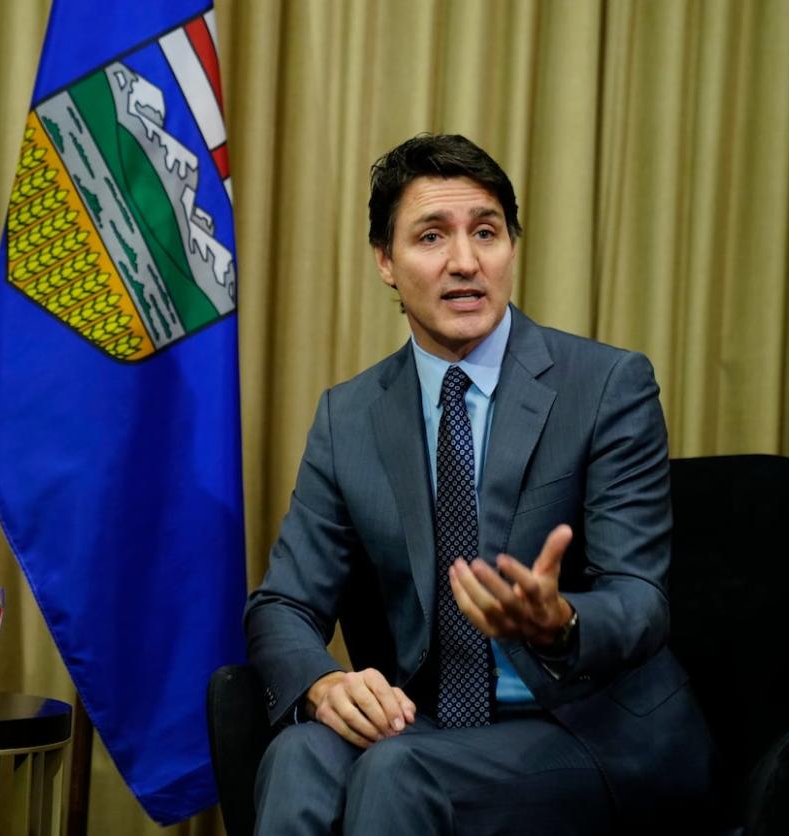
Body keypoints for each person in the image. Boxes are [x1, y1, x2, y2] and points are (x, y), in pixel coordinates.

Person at [244, 133, 716, 835]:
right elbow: (283, 603)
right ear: (384, 261)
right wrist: (324, 683)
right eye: (431, 236)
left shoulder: (606, 385)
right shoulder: (349, 416)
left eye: (486, 233)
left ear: (511, 249)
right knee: (298, 755)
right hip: (432, 721)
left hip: (594, 734)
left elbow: (640, 600)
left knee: (396, 771)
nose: (464, 262)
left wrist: (561, 623)